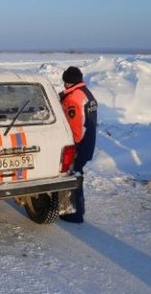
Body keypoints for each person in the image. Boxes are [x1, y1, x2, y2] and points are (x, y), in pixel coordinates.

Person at [58, 66, 98, 223]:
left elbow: (77, 127)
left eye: (65, 82)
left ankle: (72, 213)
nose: (64, 85)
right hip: (88, 142)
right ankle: (75, 210)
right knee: (76, 174)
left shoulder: (73, 98)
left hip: (79, 144)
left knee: (71, 175)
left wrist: (73, 147)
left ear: (68, 82)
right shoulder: (86, 93)